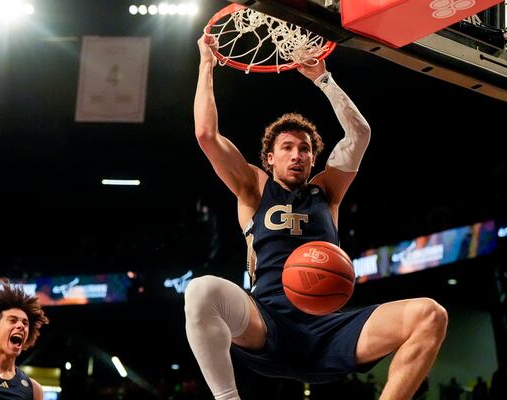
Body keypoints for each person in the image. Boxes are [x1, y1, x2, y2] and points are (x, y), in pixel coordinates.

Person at [184, 33, 449, 400]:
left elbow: (360, 133)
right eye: (287, 148)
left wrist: (324, 80)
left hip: (330, 328)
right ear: (269, 158)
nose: (297, 155)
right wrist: (207, 63)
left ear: (313, 158)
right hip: (269, 322)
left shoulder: (328, 191)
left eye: (305, 149)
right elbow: (206, 134)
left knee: (430, 314)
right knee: (200, 290)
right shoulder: (253, 187)